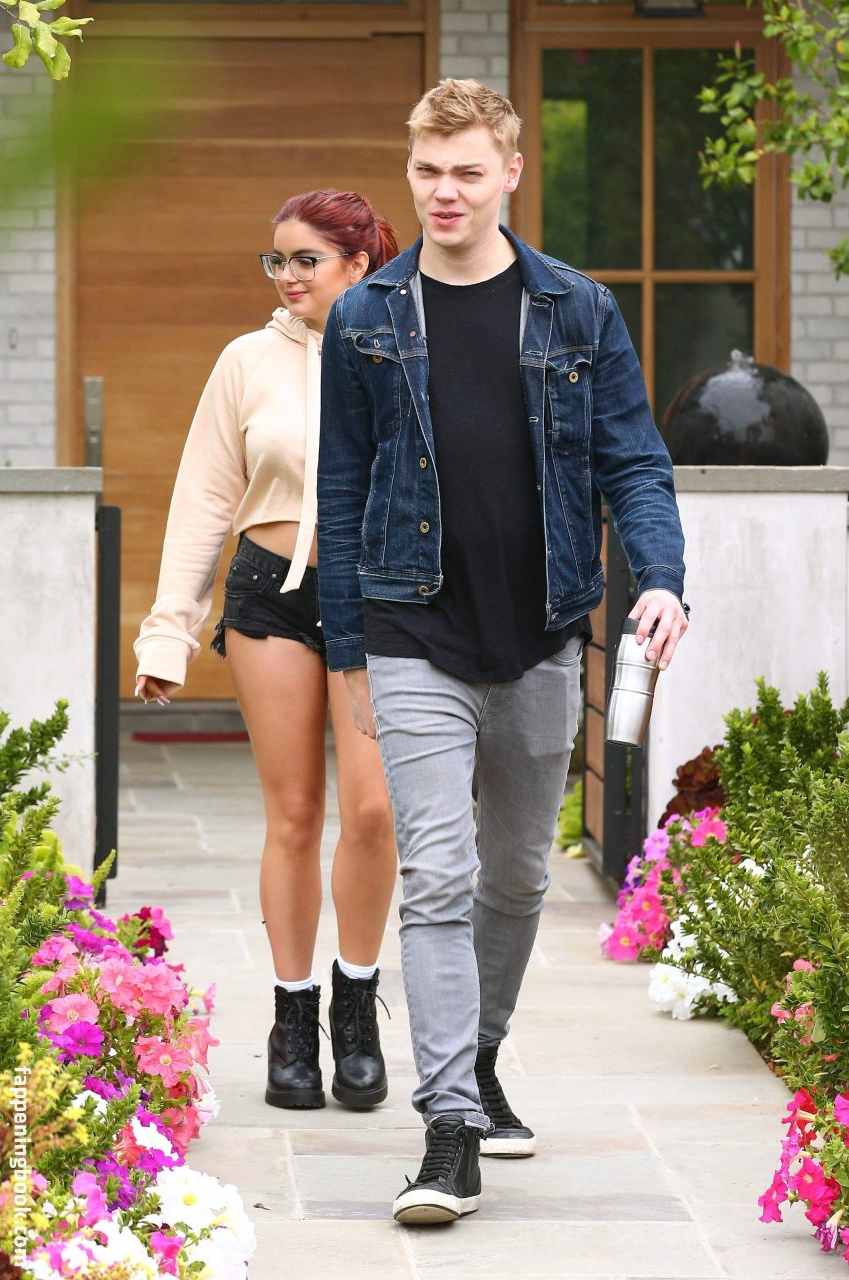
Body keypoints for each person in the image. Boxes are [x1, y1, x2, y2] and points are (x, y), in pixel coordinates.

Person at [316, 81, 688, 1223]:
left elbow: (634, 461)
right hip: (411, 624)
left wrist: (660, 575)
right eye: (428, 171)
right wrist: (348, 651)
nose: (445, 192)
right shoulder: (366, 315)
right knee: (437, 873)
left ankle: (476, 1058)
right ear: (411, 170)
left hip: (539, 633)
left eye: (468, 172)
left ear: (511, 173)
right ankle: (446, 1130)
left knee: (518, 875)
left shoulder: (577, 309)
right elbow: (342, 486)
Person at [134, 189, 400, 1114]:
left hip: (377, 603)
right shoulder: (245, 360)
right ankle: (293, 1020)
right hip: (269, 597)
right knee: (293, 814)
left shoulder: (403, 350)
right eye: (275, 259)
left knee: (373, 811)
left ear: (358, 264)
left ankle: (355, 1010)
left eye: (304, 260)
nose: (286, 276)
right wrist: (168, 629)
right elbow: (204, 498)